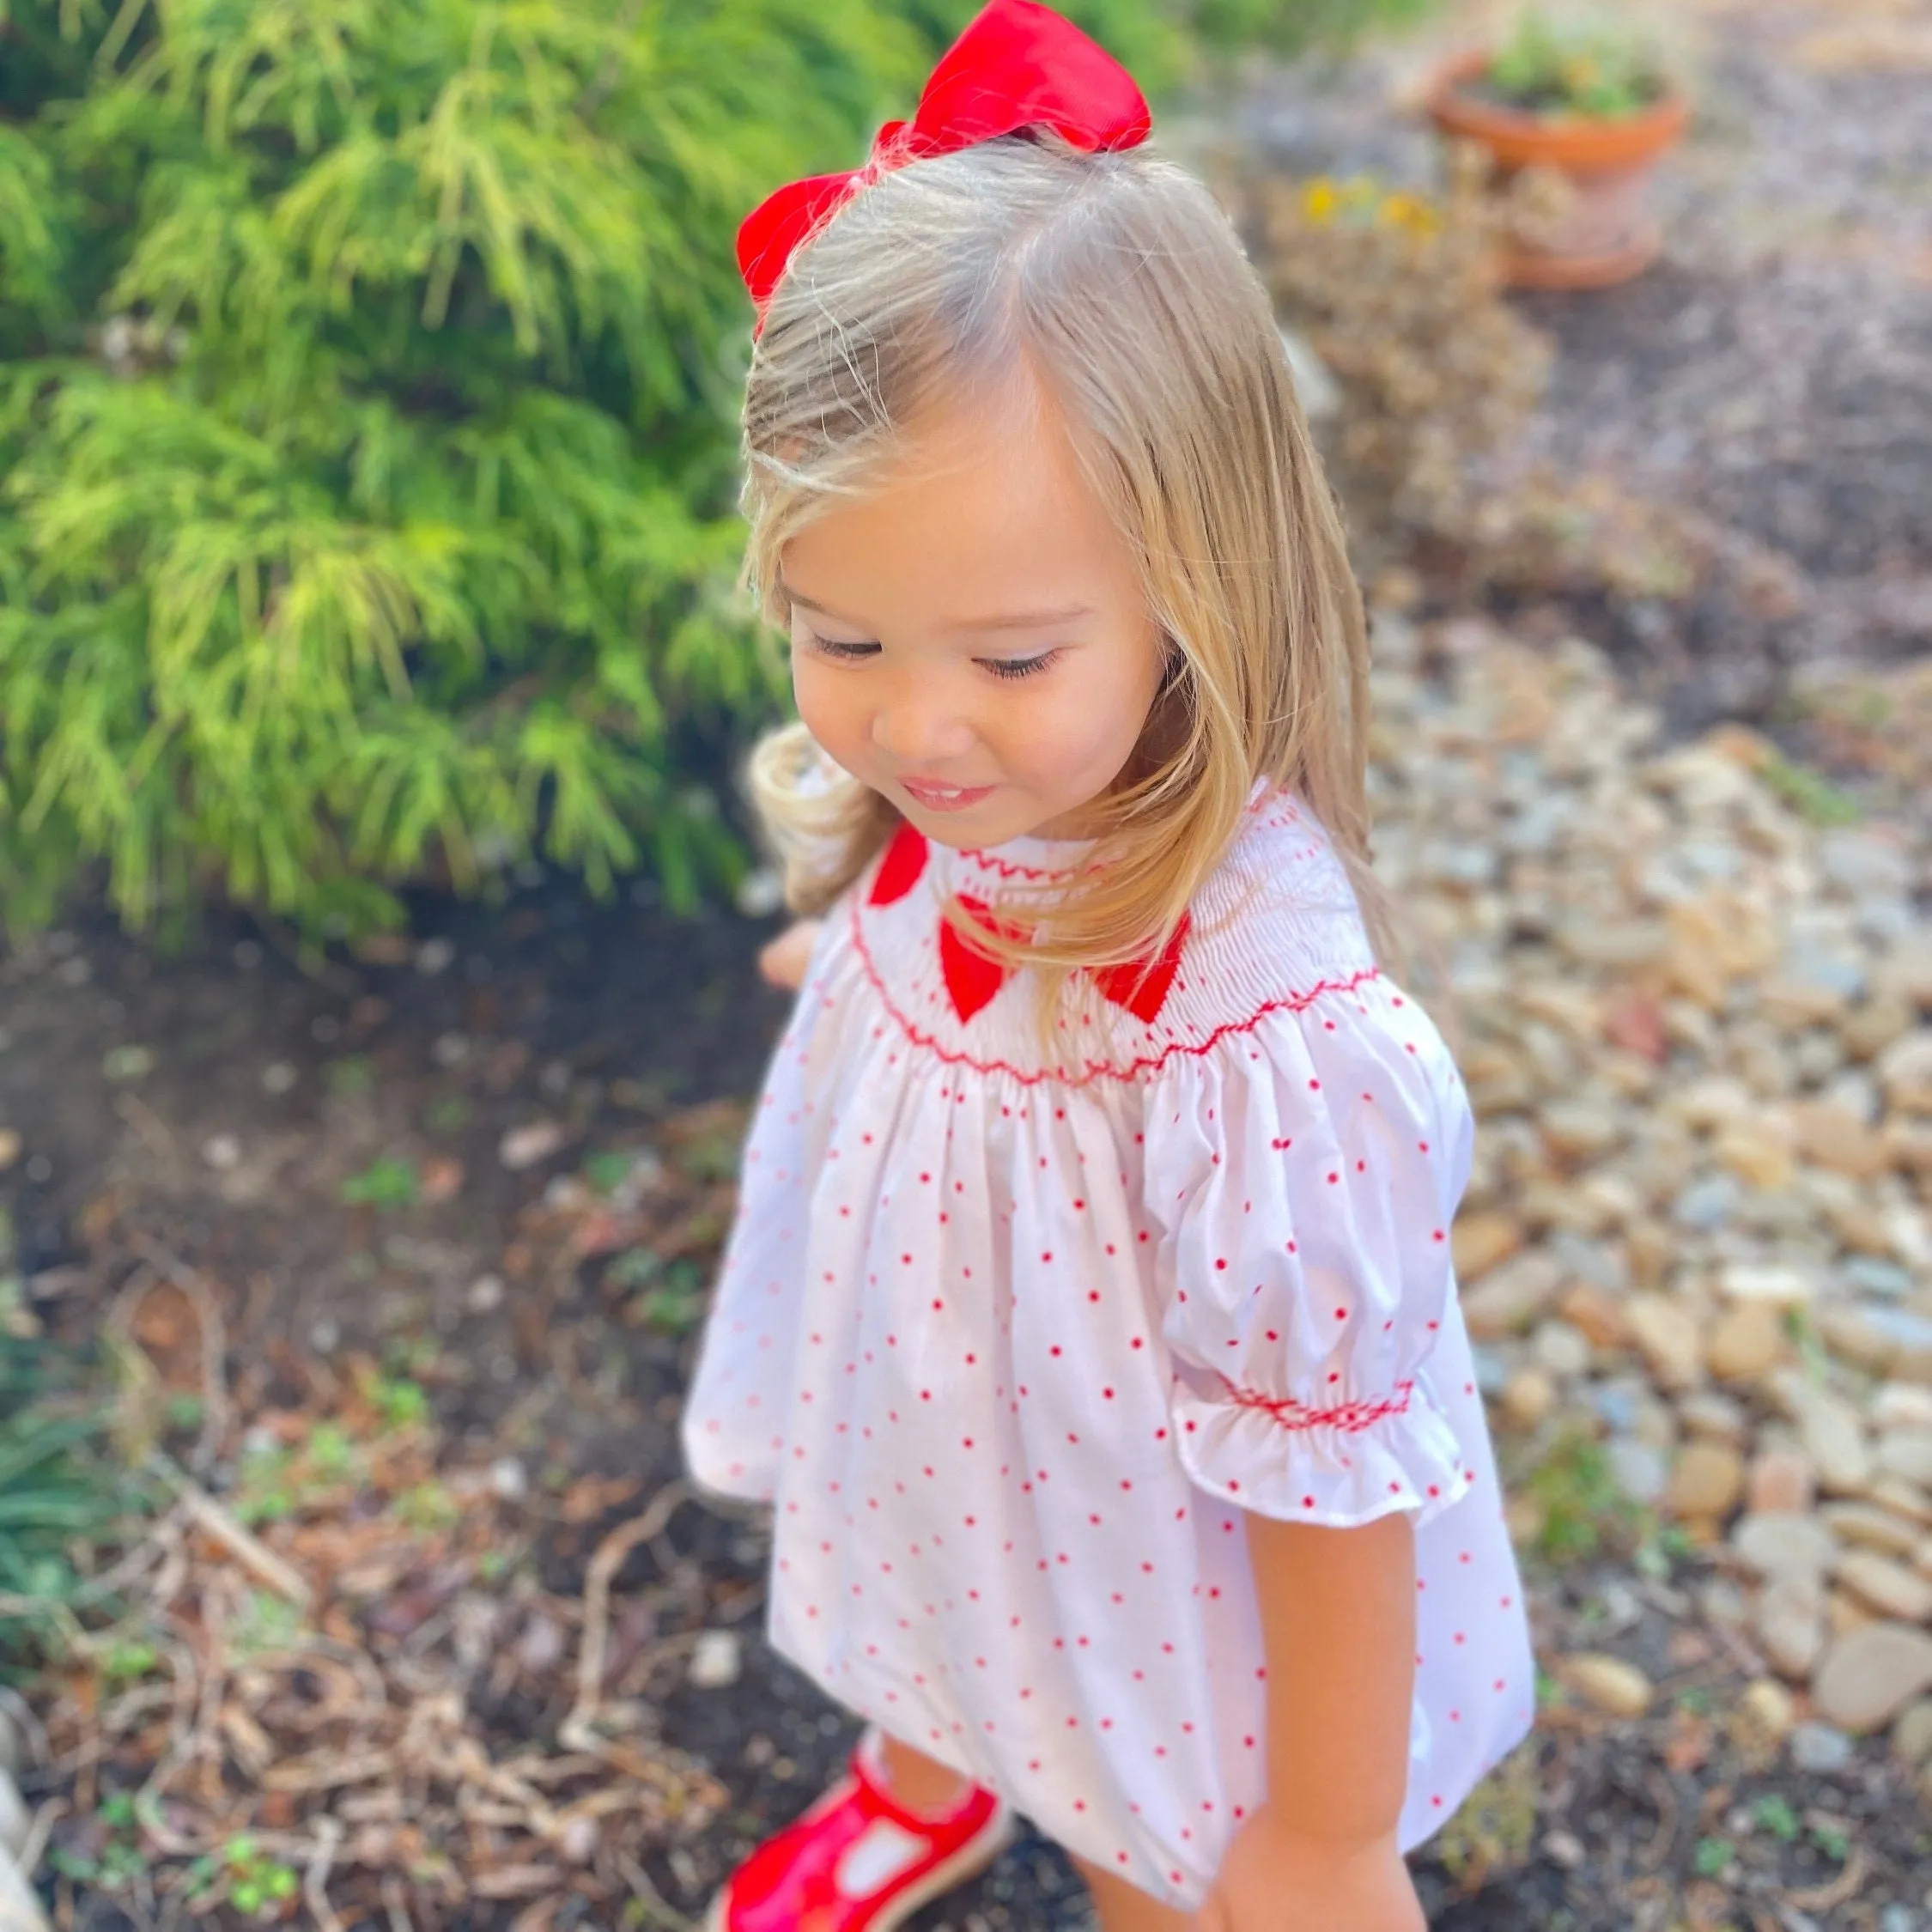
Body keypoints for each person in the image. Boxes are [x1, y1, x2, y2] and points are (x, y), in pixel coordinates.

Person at [679, 4, 1535, 1927]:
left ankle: (1098, 1823)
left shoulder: (1270, 1033)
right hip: (947, 1383)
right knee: (923, 1562)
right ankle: (930, 1760)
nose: (915, 732)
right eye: (841, 636)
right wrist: (863, 961)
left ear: (1197, 580)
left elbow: (1331, 1496)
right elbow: (930, 859)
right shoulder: (971, 773)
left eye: (1005, 657)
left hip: (1145, 1550)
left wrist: (1314, 1839)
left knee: (1155, 1837)